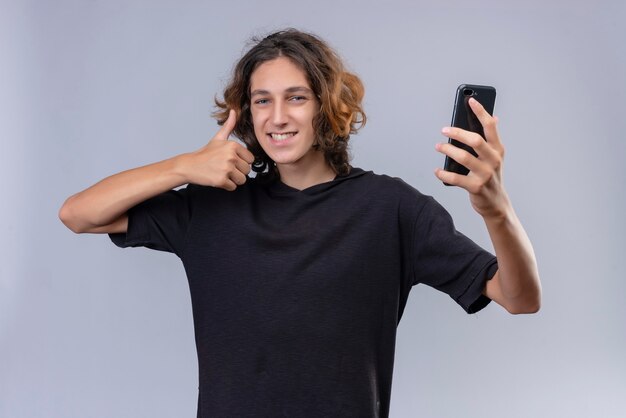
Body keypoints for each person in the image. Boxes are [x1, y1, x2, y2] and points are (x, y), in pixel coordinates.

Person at [59, 28, 541, 418]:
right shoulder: (210, 206)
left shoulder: (390, 209)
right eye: (262, 100)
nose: (277, 117)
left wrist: (495, 207)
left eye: (296, 97)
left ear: (327, 107)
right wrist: (182, 167)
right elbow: (78, 214)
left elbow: (519, 298)